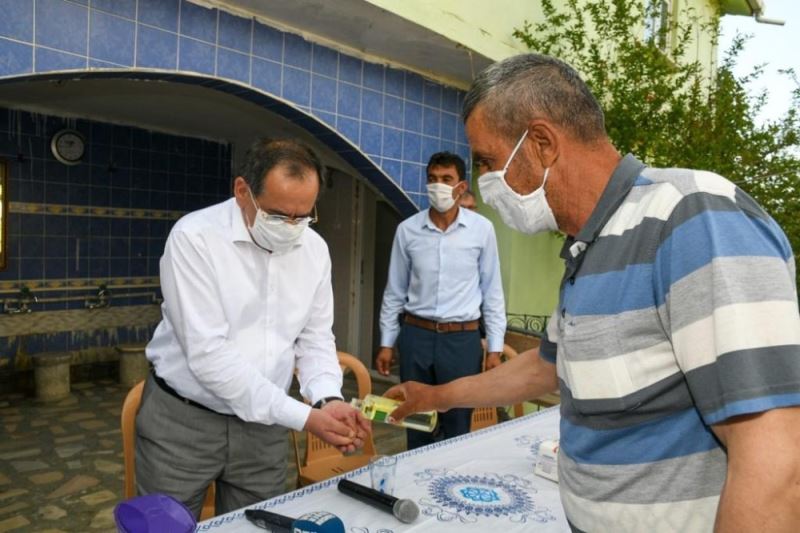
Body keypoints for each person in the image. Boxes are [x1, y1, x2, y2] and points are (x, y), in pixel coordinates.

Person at [385, 53, 800, 532]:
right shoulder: (590, 246)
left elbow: (777, 462)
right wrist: (436, 396)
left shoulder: (693, 217)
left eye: (487, 162)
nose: (484, 183)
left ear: (541, 143)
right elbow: (547, 365)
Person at [137, 138, 370, 517]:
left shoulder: (314, 250)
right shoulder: (194, 238)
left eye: (303, 216)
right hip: (184, 422)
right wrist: (305, 418)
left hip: (264, 429)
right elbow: (209, 355)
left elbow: (314, 339)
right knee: (165, 525)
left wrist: (328, 399)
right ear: (243, 191)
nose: (291, 227)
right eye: (278, 216)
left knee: (259, 524)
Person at [375, 151, 506, 450]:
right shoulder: (407, 230)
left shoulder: (481, 230)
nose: (439, 186)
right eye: (433, 179)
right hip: (416, 336)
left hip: (461, 340)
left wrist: (495, 348)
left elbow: (493, 291)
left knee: (458, 424)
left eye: (447, 179)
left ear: (461, 186)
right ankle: (416, 476)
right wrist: (387, 342)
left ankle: (451, 478)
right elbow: (394, 291)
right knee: (415, 421)